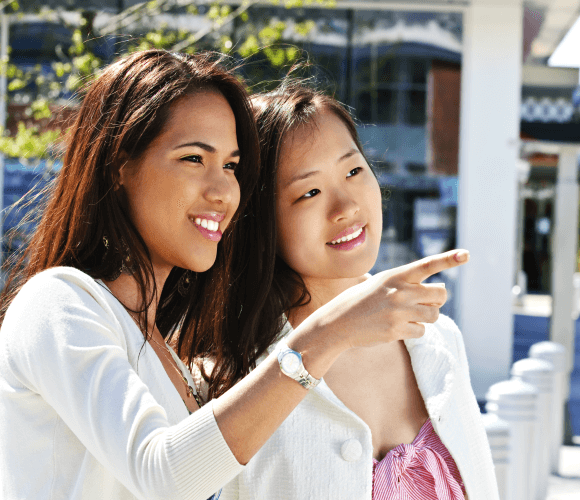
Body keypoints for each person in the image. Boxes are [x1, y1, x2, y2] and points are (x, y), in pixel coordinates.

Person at [0, 50, 469, 500]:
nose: (224, 189)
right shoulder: (56, 303)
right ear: (120, 166)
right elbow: (164, 475)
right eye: (193, 159)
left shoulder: (169, 355)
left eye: (231, 166)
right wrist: (328, 333)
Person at [210, 83, 498, 500]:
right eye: (309, 192)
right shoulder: (234, 373)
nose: (346, 206)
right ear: (261, 220)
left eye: (353, 170)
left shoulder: (439, 341)